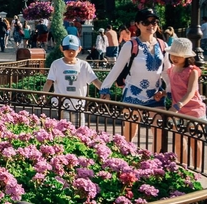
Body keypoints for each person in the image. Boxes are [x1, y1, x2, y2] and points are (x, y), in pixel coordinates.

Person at [100, 9, 167, 142]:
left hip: (155, 94)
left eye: (154, 22)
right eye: (146, 22)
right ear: (137, 24)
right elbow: (117, 68)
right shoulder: (131, 45)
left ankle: (158, 161)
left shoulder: (162, 44)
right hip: (133, 93)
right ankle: (125, 159)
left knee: (160, 132)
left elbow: (167, 70)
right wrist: (105, 88)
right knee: (130, 131)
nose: (151, 25)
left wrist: (168, 90)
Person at [42, 35, 102, 127]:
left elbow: (95, 81)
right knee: (64, 130)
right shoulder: (56, 64)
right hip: (62, 105)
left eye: (73, 50)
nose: (70, 52)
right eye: (67, 50)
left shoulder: (84, 65)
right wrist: (43, 95)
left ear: (79, 49)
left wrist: (104, 91)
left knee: (79, 131)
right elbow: (49, 82)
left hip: (78, 105)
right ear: (61, 48)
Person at [166, 38, 205, 119]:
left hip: (193, 110)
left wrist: (178, 106)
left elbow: (190, 92)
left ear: (186, 57)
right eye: (173, 54)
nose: (175, 58)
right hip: (178, 112)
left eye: (179, 56)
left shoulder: (192, 71)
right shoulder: (171, 70)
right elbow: (175, 89)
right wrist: (163, 93)